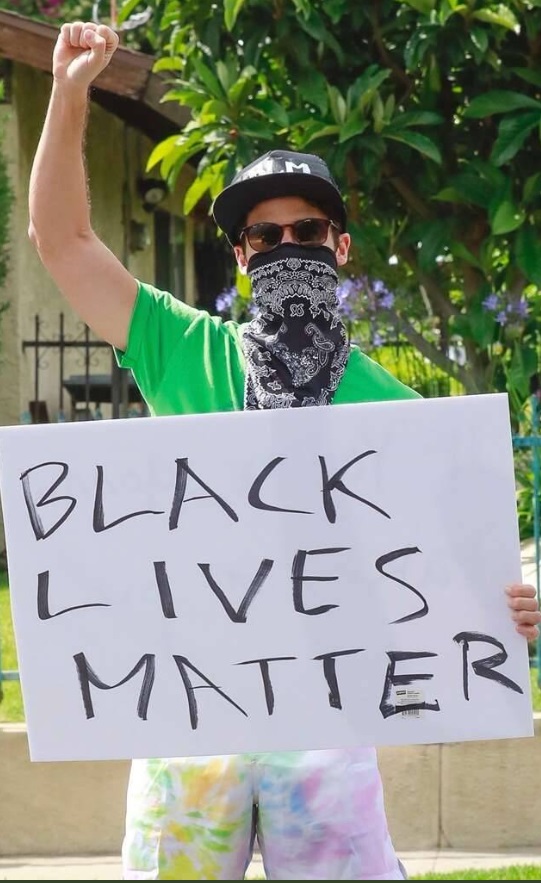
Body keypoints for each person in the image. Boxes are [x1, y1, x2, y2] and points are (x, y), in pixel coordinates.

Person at [28, 21, 541, 882]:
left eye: (306, 230)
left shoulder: (395, 406)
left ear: (341, 247)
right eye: (263, 238)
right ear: (238, 256)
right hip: (188, 726)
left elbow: (464, 563)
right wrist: (69, 91)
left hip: (326, 734)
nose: (286, 248)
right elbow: (63, 243)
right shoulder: (179, 347)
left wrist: (514, 605)